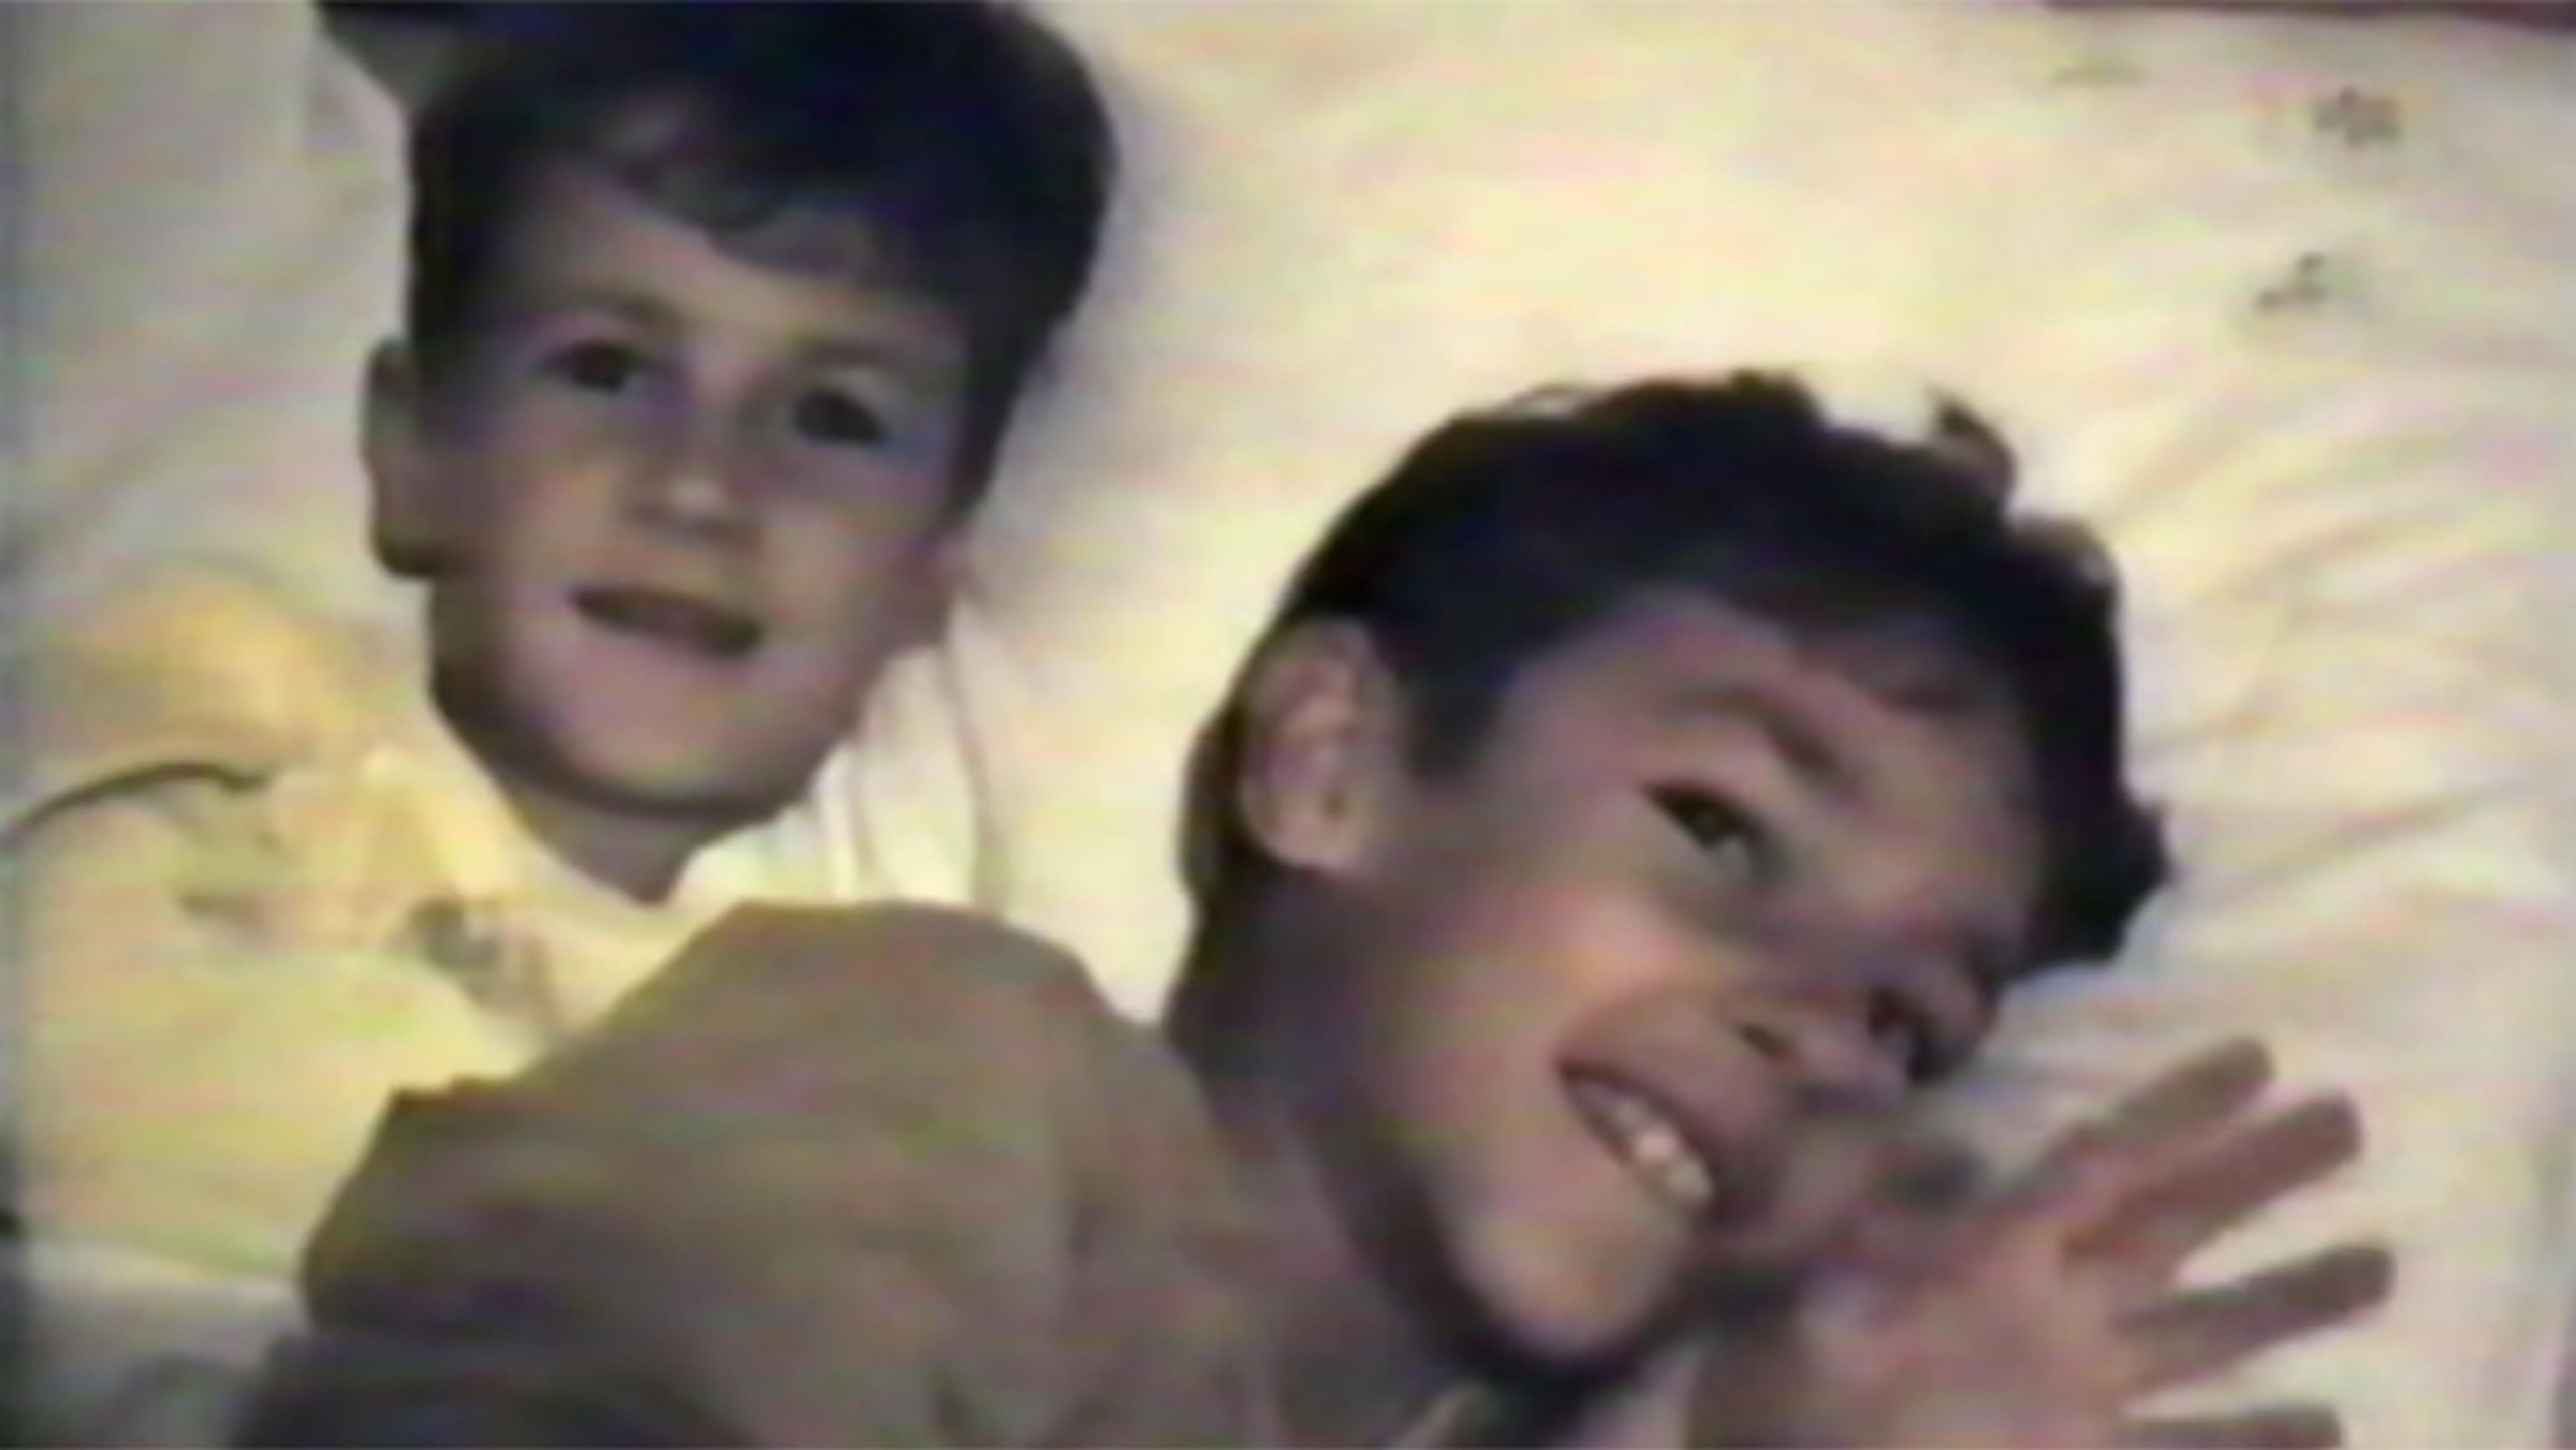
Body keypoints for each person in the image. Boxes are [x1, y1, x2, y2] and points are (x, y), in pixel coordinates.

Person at [235, 375, 2391, 1448]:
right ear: (1331, 760)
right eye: (1725, 832)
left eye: (1913, 1023)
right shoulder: (935, 1063)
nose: (1821, 1038)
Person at [3, 0, 1114, 1286]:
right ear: (415, 451)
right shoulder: (225, 693)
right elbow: (90, 1065)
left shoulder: (886, 1015)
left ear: (935, 567)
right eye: (606, 368)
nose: (700, 486)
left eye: (832, 416)